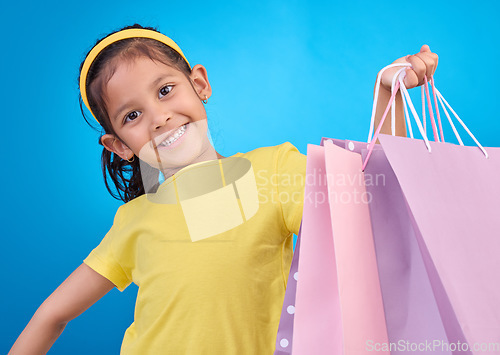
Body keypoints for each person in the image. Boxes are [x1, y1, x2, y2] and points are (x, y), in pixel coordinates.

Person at [9, 24, 439, 354]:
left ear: (199, 84)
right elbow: (52, 314)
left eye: (164, 90)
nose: (158, 117)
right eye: (132, 116)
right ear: (120, 146)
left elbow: (369, 209)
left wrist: (391, 95)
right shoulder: (134, 221)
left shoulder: (271, 172)